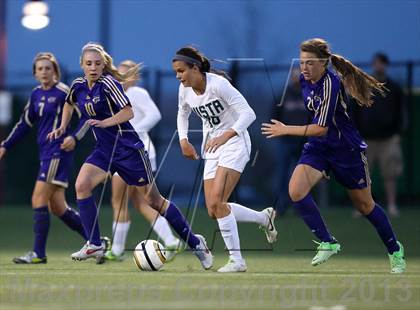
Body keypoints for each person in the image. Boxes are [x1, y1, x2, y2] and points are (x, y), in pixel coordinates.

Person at [47, 43, 213, 270]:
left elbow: (128, 112)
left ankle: (195, 243)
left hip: (128, 149)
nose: (93, 67)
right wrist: (63, 127)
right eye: (89, 63)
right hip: (104, 151)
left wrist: (105, 122)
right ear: (82, 65)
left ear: (104, 64)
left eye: (97, 63)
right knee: (82, 185)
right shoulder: (78, 85)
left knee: (154, 201)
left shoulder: (109, 84)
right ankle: (94, 244)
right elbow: (69, 103)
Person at [261, 38, 406, 274]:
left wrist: (285, 129)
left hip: (346, 150)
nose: (304, 67)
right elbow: (317, 129)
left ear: (324, 63)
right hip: (319, 148)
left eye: (309, 63)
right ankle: (328, 241)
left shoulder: (331, 83)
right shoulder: (303, 81)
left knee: (365, 206)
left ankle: (394, 250)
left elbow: (322, 127)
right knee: (295, 191)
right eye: (301, 62)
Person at [173, 46, 277, 273]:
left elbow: (249, 113)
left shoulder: (218, 85)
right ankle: (263, 218)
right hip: (213, 147)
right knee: (213, 209)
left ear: (195, 68)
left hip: (235, 143)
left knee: (218, 201)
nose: (179, 76)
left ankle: (237, 261)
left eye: (182, 71)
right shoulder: (185, 90)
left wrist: (226, 135)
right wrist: (183, 140)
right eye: (176, 72)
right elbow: (182, 113)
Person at [0, 52, 89, 264]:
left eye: (48, 68)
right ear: (34, 73)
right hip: (46, 154)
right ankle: (95, 242)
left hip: (57, 153)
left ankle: (38, 254)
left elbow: (87, 116)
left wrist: (74, 137)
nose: (44, 72)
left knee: (37, 199)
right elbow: (24, 125)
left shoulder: (63, 92)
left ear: (55, 71)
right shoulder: (36, 94)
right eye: (40, 69)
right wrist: (5, 145)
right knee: (58, 207)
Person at [105, 60, 180, 261]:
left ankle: (118, 250)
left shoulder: (136, 93)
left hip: (134, 153)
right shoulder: (117, 96)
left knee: (118, 200)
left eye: (126, 74)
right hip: (135, 152)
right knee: (141, 201)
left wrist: (133, 131)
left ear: (135, 77)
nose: (120, 78)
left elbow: (155, 115)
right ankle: (171, 241)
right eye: (118, 74)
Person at [353, 53, 406, 217]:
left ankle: (391, 205)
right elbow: (355, 111)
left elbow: (402, 112)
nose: (378, 66)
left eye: (381, 63)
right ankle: (362, 207)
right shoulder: (364, 86)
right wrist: (356, 135)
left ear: (386, 65)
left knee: (390, 173)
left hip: (389, 138)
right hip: (366, 138)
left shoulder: (394, 88)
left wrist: (398, 133)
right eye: (376, 63)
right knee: (363, 175)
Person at [271, 68, 311, 214]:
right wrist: (280, 132)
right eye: (294, 76)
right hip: (285, 142)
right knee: (282, 175)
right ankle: (280, 206)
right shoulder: (284, 95)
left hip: (304, 142)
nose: (296, 78)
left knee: (302, 177)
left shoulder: (309, 95)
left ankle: (301, 207)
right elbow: (274, 115)